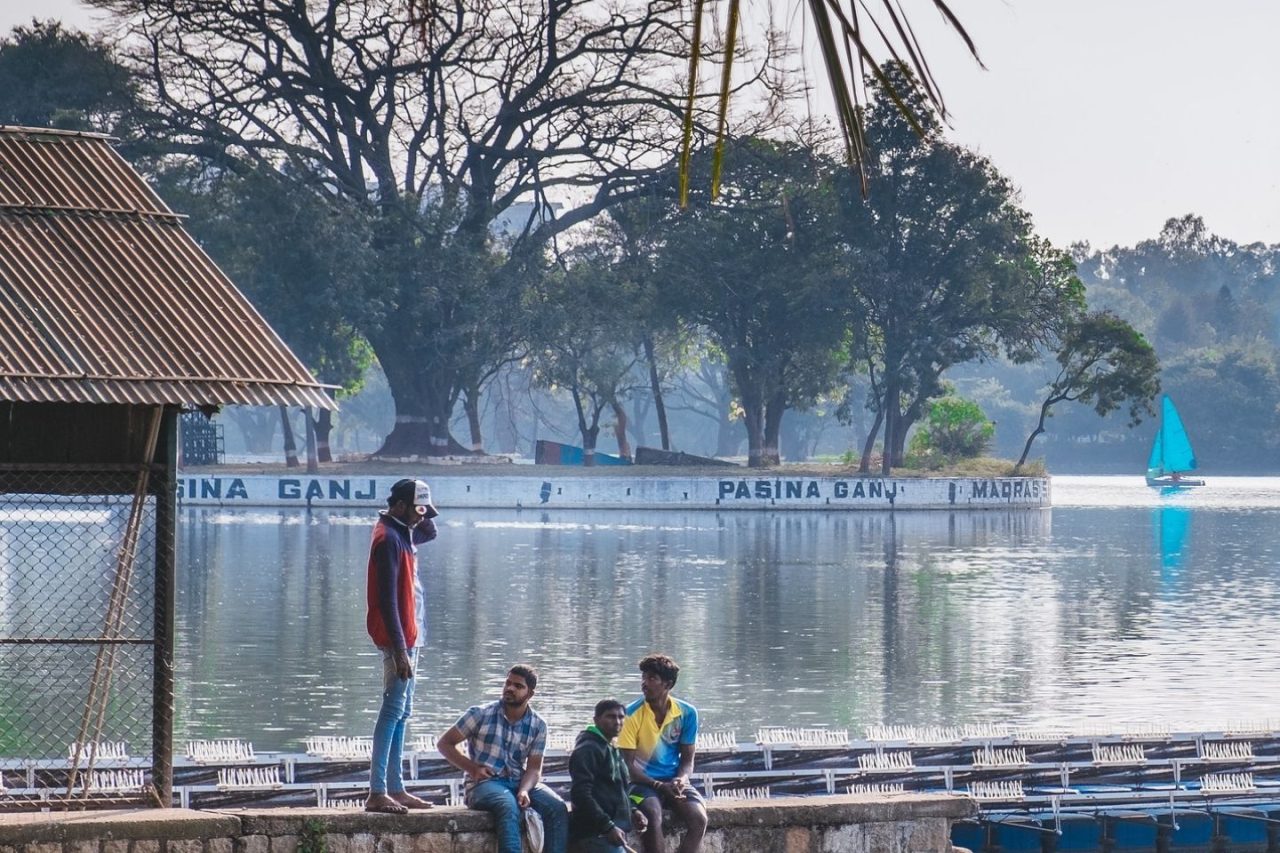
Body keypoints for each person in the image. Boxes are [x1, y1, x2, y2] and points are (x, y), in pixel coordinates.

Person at [364, 477, 439, 814]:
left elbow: (430, 532)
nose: (421, 517)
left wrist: (422, 509)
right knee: (392, 710)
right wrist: (398, 652)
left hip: (412, 635)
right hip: (399, 640)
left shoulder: (403, 531)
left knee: (403, 712)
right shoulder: (388, 539)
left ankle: (395, 787)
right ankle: (377, 791)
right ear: (398, 506)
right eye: (416, 509)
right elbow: (387, 601)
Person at [437, 665, 569, 853]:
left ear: (530, 693)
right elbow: (445, 743)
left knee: (557, 807)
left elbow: (533, 769)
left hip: (518, 781)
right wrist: (473, 768)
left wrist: (524, 790)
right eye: (508, 683)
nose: (510, 688)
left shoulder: (538, 725)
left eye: (518, 686)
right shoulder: (480, 714)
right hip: (484, 784)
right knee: (507, 805)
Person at [618, 654, 707, 853]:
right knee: (651, 815)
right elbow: (628, 767)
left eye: (651, 679)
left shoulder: (687, 713)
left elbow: (687, 759)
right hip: (640, 783)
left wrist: (682, 779)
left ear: (667, 684)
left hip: (672, 781)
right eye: (643, 678)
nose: (644, 684)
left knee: (699, 819)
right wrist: (659, 785)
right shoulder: (630, 715)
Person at [569, 699, 649, 852]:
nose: (617, 722)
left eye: (621, 717)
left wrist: (633, 810)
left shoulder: (610, 747)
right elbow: (580, 794)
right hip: (595, 834)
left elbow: (616, 790)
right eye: (611, 717)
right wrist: (608, 826)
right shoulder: (588, 749)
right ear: (596, 720)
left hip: (610, 832)